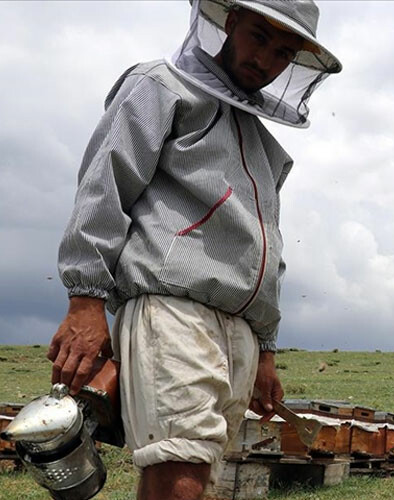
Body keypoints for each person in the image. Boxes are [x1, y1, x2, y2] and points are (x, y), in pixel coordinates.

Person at [47, 1, 341, 498]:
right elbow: (105, 184)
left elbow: (268, 247)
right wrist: (85, 299)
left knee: (201, 478)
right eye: (258, 37)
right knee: (177, 471)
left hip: (239, 333)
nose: (266, 59)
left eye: (283, 51)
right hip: (172, 311)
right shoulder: (160, 86)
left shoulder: (265, 147)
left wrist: (266, 352)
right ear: (229, 23)